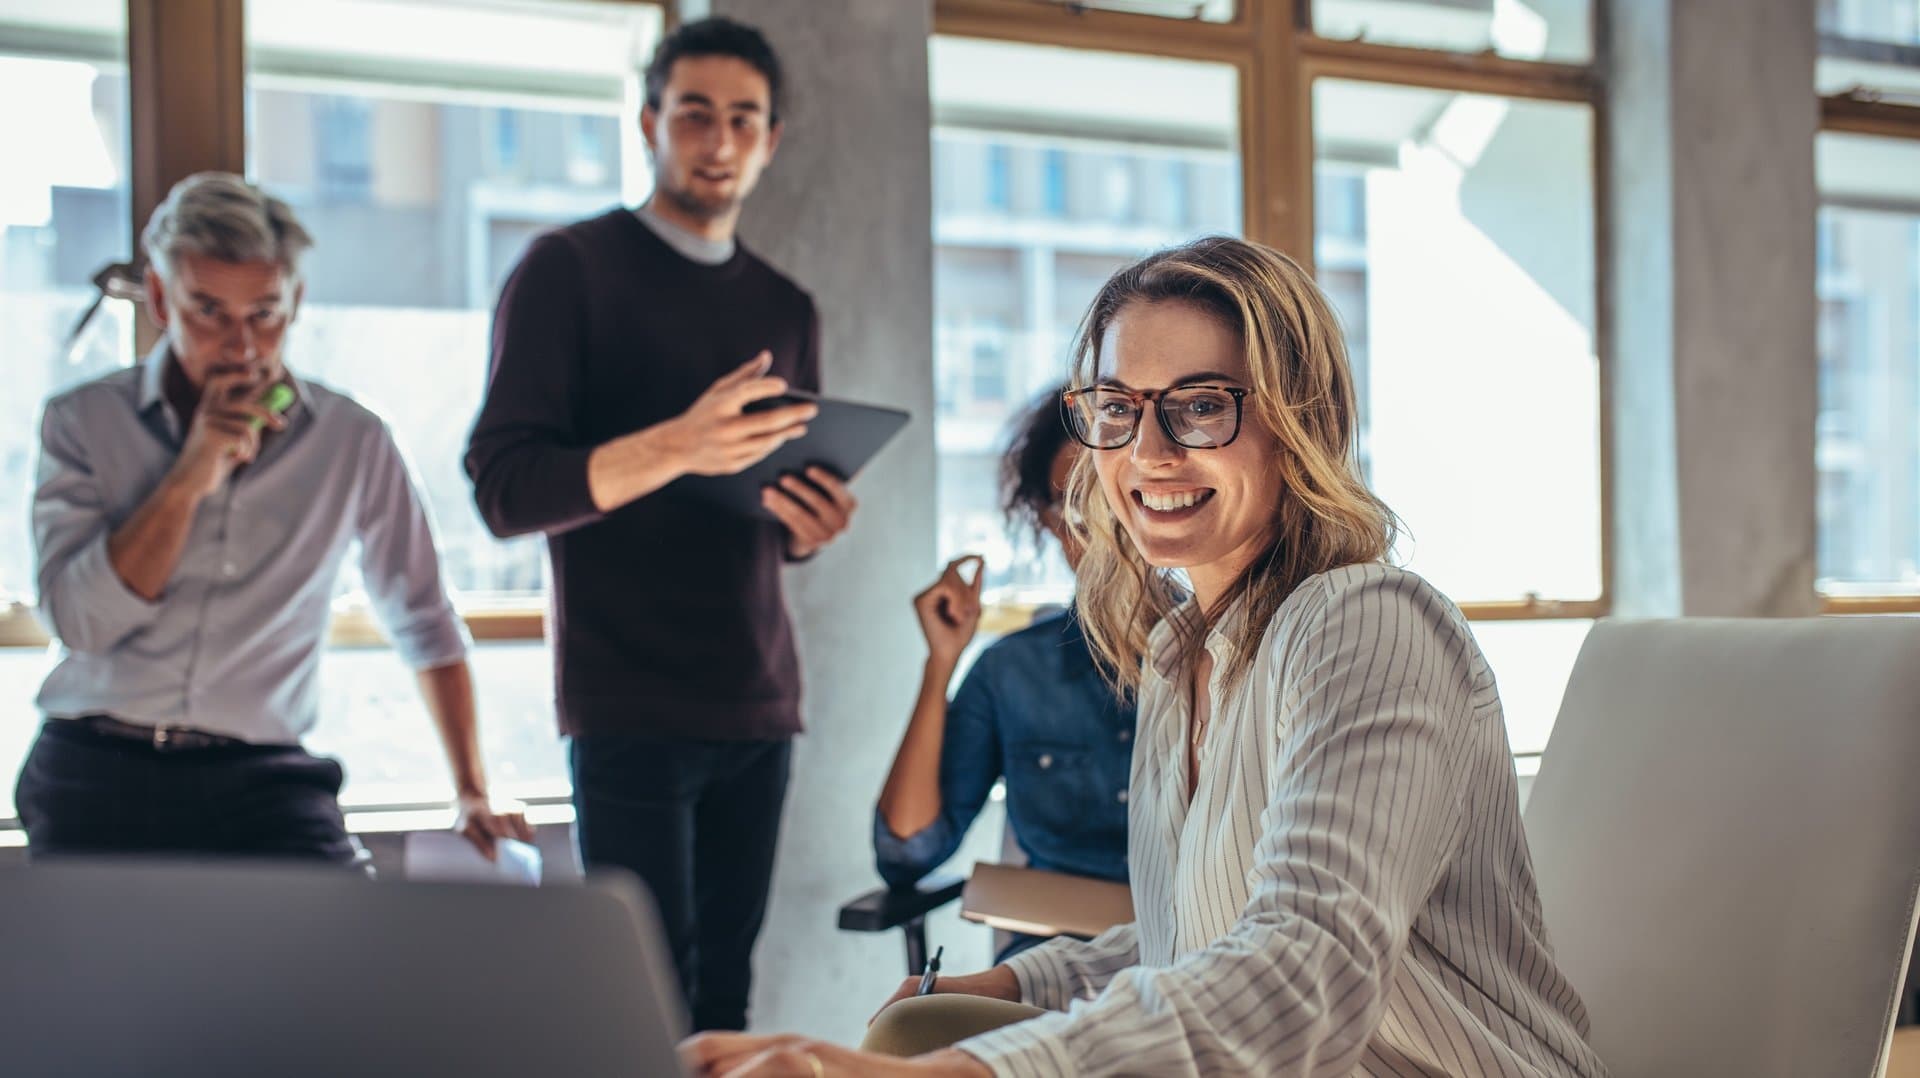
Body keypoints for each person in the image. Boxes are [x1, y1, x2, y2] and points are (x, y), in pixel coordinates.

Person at [680, 237, 1608, 1077]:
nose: (1149, 451)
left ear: (1302, 420)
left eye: (1200, 407)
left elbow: (1304, 966)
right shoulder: (1178, 655)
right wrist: (1018, 985)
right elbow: (1191, 944)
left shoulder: (1369, 621)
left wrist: (975, 1073)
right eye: (1117, 408)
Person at [464, 17, 855, 1033]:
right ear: (648, 121)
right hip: (626, 699)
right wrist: (678, 442)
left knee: (727, 998)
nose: (718, 140)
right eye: (694, 113)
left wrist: (809, 522)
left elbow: (766, 509)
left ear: (772, 140)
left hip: (759, 698)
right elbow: (505, 487)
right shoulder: (568, 269)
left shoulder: (787, 304)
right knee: (644, 1006)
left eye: (742, 120)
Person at [17, 172, 530, 866]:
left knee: (340, 958)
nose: (242, 346)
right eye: (209, 312)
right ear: (162, 299)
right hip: (95, 761)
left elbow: (423, 617)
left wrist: (473, 790)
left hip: (262, 774)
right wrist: (188, 479)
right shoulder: (81, 423)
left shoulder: (353, 440)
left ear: (297, 301)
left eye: (265, 314)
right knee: (101, 975)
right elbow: (81, 624)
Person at [873, 387, 1134, 961]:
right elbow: (907, 851)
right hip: (1046, 965)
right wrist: (940, 662)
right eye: (1071, 509)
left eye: (1110, 501)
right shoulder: (1013, 671)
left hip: (1190, 965)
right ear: (1045, 522)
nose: (1097, 530)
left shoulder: (1227, 654)